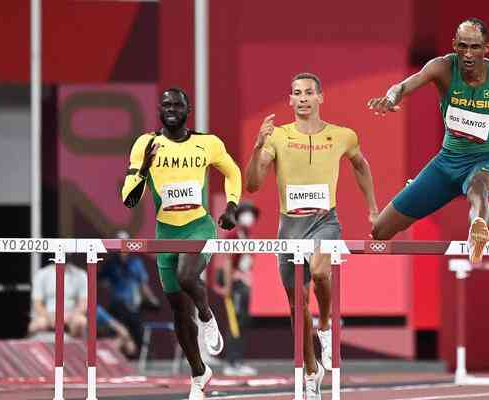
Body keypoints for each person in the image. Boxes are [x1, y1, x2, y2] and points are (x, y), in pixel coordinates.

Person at [246, 73, 379, 399]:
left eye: (308, 93)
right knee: (297, 307)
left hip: (325, 222)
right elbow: (252, 184)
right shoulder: (277, 137)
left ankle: (326, 326)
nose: (302, 98)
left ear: (320, 97)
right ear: (290, 100)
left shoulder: (343, 136)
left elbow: (361, 166)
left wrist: (373, 208)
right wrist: (258, 146)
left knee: (321, 272)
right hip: (289, 228)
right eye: (296, 93)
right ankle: (310, 371)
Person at [367, 18, 489, 263]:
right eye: (462, 46)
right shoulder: (441, 68)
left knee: (478, 189)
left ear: (487, 47)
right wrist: (390, 98)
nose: (468, 54)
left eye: (475, 47)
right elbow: (404, 86)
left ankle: (478, 231)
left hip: (484, 159)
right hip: (446, 163)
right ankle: (419, 187)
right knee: (380, 231)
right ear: (454, 45)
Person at [121, 87, 242, 400]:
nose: (171, 108)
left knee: (189, 277)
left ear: (187, 110)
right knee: (177, 309)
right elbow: (129, 200)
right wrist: (145, 168)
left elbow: (232, 172)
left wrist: (231, 206)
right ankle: (199, 373)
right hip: (166, 233)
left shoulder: (207, 143)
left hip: (199, 227)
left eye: (177, 104)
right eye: (166, 104)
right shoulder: (145, 144)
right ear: (159, 110)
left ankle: (207, 316)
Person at [99, 230, 161, 358]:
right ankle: (116, 360)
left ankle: (148, 360)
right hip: (117, 306)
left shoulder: (135, 262)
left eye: (124, 243)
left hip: (133, 306)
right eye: (119, 244)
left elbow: (143, 284)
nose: (122, 247)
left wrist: (151, 299)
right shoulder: (110, 264)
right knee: (120, 334)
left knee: (137, 333)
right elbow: (101, 281)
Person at [217, 201, 259, 377]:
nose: (249, 216)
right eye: (246, 212)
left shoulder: (246, 235)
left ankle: (238, 361)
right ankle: (232, 362)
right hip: (235, 286)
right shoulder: (234, 235)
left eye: (252, 213)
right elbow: (227, 262)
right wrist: (227, 286)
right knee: (235, 324)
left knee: (242, 323)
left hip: (244, 284)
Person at [28, 258, 87, 339]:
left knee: (81, 321)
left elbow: (84, 303)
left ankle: (76, 349)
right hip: (48, 315)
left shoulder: (81, 274)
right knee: (37, 325)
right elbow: (37, 304)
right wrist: (50, 317)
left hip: (71, 315)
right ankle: (34, 349)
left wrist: (70, 316)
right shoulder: (41, 274)